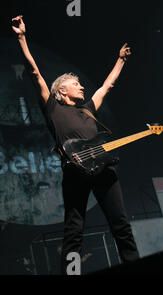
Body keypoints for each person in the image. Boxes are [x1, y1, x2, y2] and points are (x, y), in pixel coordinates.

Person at [12, 15, 139, 274]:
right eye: (76, 84)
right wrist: (22, 38)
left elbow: (107, 86)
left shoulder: (89, 109)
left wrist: (121, 60)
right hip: (75, 173)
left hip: (104, 171)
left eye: (80, 84)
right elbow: (35, 72)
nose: (81, 86)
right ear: (61, 91)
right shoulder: (53, 108)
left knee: (121, 225)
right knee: (74, 231)